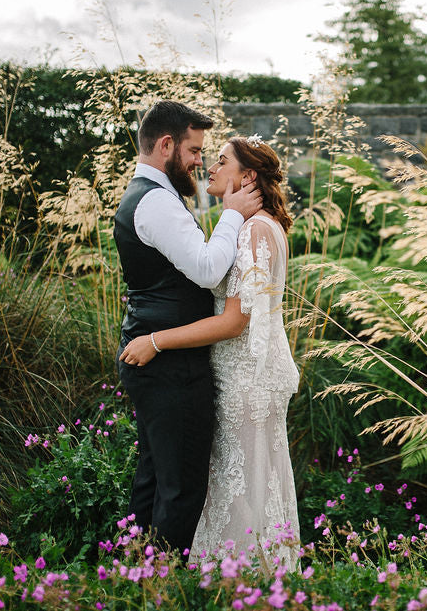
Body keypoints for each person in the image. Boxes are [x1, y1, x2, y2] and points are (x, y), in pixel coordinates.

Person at [120, 134, 300, 568]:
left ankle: (239, 581)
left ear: (247, 176)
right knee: (246, 485)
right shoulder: (255, 225)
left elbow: (236, 321)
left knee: (240, 489)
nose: (211, 168)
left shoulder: (256, 231)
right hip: (242, 376)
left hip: (245, 381)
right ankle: (251, 580)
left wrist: (156, 340)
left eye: (222, 161)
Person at [113, 101, 262, 556]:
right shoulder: (155, 200)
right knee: (181, 489)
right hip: (169, 365)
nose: (200, 160)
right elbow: (206, 270)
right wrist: (233, 212)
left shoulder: (154, 195)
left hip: (164, 360)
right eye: (195, 150)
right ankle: (160, 588)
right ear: (165, 145)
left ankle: (132, 577)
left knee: (156, 479)